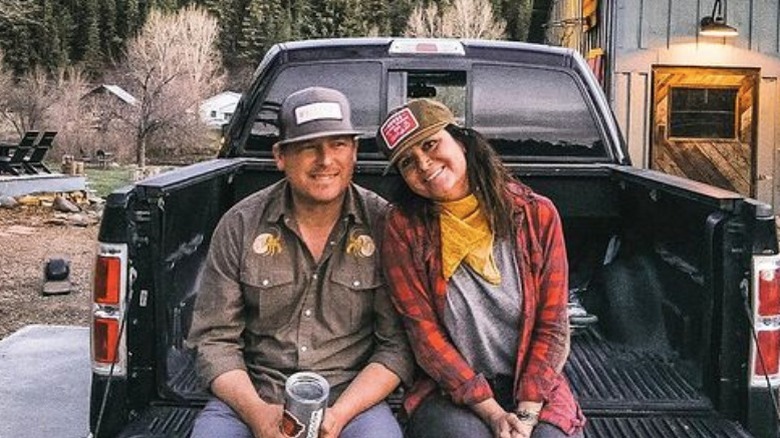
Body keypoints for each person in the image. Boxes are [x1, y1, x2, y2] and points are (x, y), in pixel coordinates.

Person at [187, 87, 414, 438]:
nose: (325, 160)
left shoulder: (385, 226)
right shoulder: (241, 225)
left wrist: (339, 416)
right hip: (255, 391)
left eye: (338, 145)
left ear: (354, 152)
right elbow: (215, 340)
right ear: (280, 156)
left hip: (351, 399)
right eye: (309, 147)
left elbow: (397, 345)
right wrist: (257, 414)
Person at [377, 99, 586, 438]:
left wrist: (527, 415)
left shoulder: (537, 216)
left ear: (461, 140)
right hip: (449, 386)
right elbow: (425, 336)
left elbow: (552, 326)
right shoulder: (403, 228)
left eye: (430, 144)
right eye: (407, 162)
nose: (424, 164)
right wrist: (491, 413)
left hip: (530, 382)